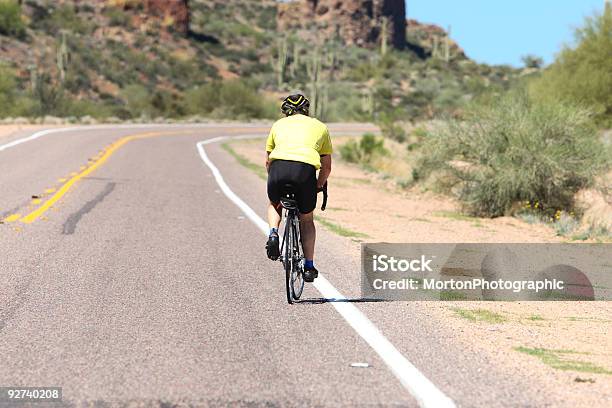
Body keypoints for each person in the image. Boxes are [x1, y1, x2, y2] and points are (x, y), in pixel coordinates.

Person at [265, 94, 332, 282]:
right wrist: (318, 185)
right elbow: (326, 167)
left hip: (278, 169)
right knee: (306, 218)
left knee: (274, 204)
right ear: (306, 109)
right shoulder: (320, 127)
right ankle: (309, 266)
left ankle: (273, 234)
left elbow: (268, 161)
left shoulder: (278, 125)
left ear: (286, 111)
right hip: (304, 171)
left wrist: (274, 180)